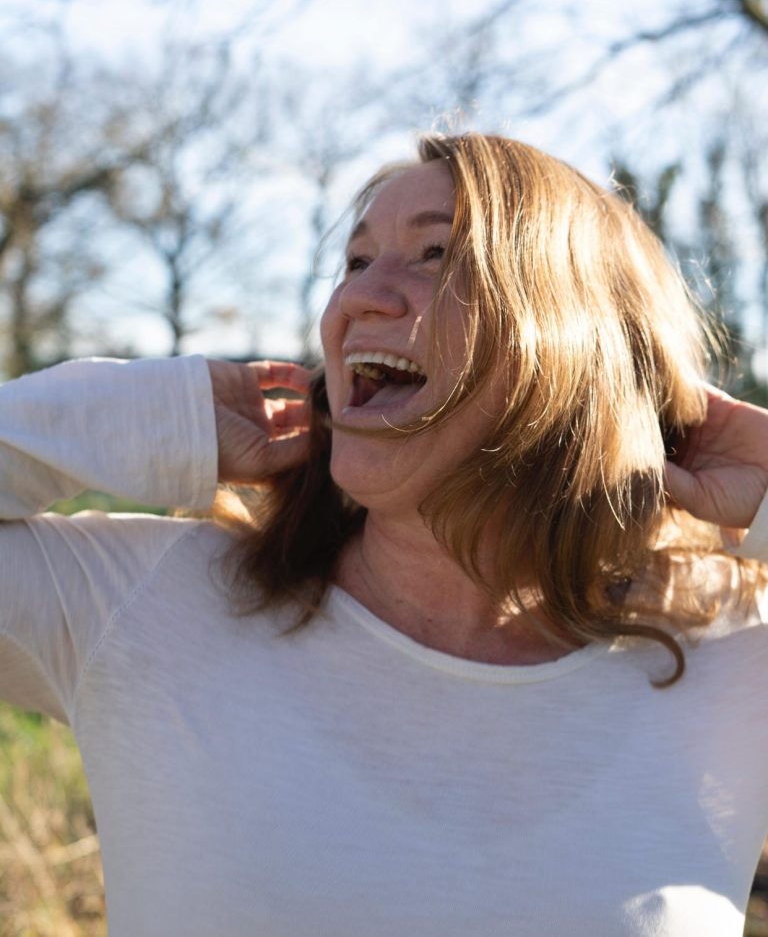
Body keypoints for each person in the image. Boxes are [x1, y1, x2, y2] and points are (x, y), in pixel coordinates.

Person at [1, 131, 767, 937]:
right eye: (357, 263)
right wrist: (162, 421)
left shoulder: (729, 650)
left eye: (437, 254)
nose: (359, 300)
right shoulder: (145, 604)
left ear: (587, 346)